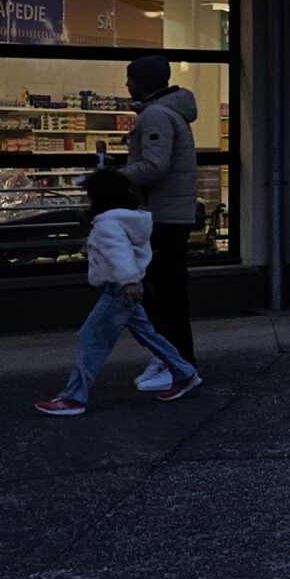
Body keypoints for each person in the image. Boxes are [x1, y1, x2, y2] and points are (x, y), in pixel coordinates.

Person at [35, 168, 199, 416]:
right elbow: (123, 251)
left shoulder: (106, 225)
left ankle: (73, 397)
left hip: (118, 289)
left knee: (90, 338)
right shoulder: (128, 220)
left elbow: (118, 253)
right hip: (128, 287)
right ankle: (184, 372)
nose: (86, 200)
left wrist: (127, 280)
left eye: (89, 196)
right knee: (148, 334)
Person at [116, 54, 202, 392]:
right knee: (169, 293)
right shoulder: (171, 112)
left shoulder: (155, 115)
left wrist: (115, 178)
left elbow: (155, 165)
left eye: (131, 78)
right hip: (171, 214)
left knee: (162, 294)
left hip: (161, 216)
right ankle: (172, 358)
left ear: (143, 82)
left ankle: (176, 363)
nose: (127, 84)